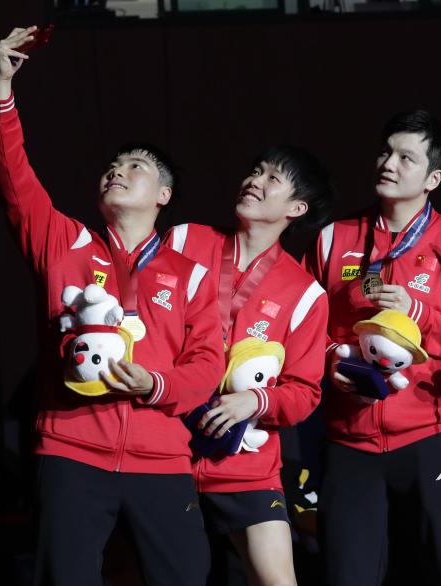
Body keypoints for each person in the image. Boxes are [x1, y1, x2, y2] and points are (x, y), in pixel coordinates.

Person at [0, 26, 223, 585]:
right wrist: (2, 90)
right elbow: (15, 180)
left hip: (161, 458)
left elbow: (207, 363)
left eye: (136, 165)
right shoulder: (64, 243)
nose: (118, 169)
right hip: (71, 451)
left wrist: (156, 386)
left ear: (163, 195)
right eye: (113, 165)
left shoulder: (188, 274)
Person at [303, 110, 441, 586]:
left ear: (433, 178)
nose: (388, 163)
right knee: (347, 574)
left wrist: (418, 313)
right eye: (386, 152)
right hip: (349, 439)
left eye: (406, 157)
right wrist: (330, 360)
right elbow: (303, 328)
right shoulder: (333, 239)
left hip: (431, 432)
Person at [164, 145, 333, 586]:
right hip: (168, 455)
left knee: (277, 579)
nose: (255, 180)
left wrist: (254, 401)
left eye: (272, 178)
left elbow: (305, 392)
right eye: (255, 171)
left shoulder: (305, 293)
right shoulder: (184, 242)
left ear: (297, 208)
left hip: (246, 466)